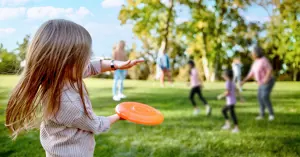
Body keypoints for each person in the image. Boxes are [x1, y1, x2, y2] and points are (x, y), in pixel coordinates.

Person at [5, 19, 143, 157]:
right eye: (84, 57)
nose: (88, 60)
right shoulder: (67, 103)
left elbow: (92, 67)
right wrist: (120, 115)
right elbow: (96, 125)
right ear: (67, 61)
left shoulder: (60, 76)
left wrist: (115, 64)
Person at [241, 46, 275, 121]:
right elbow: (251, 73)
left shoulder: (264, 60)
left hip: (268, 81)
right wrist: (243, 81)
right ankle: (261, 115)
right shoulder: (255, 62)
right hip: (261, 83)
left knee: (264, 97)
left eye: (252, 53)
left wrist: (266, 79)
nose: (251, 54)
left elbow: (270, 69)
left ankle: (271, 114)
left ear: (256, 53)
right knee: (260, 98)